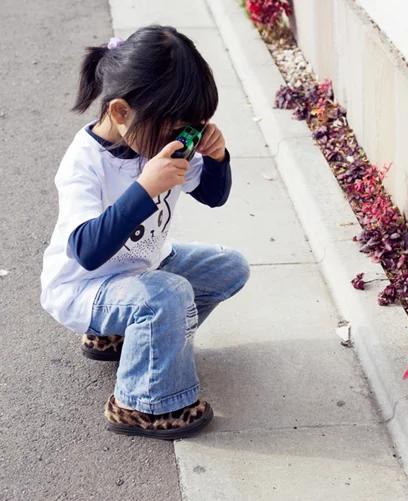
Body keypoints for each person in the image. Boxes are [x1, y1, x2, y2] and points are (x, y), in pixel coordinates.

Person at [40, 26, 250, 440]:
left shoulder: (158, 141)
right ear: (120, 112)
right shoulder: (84, 163)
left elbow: (213, 196)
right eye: (173, 127)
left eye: (191, 127)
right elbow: (85, 250)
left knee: (229, 267)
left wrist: (218, 156)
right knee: (166, 295)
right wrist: (144, 189)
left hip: (145, 266)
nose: (180, 139)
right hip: (86, 287)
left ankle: (134, 340)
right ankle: (143, 402)